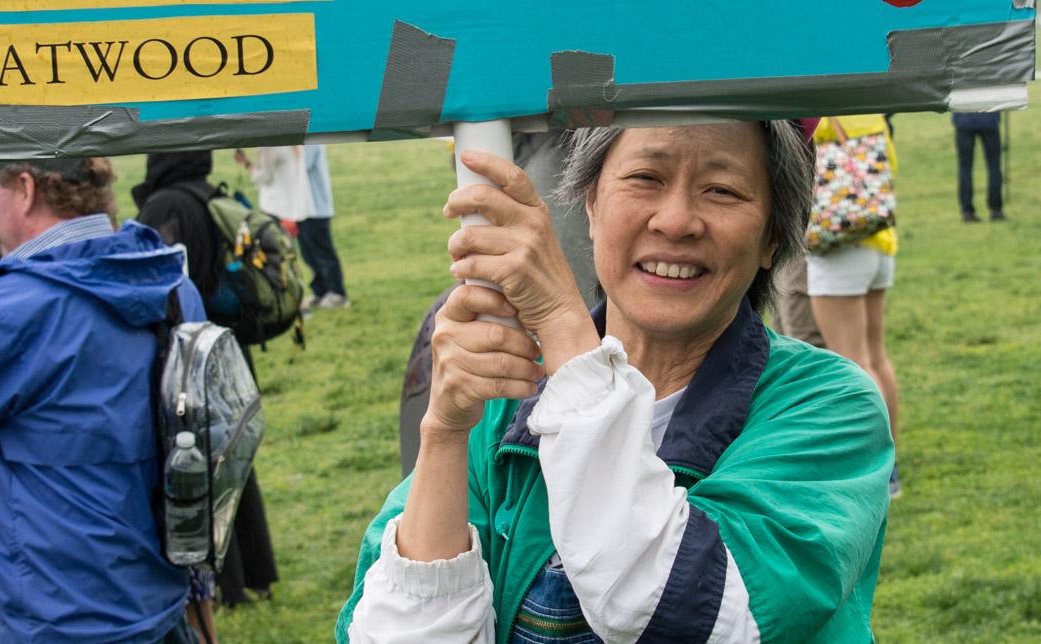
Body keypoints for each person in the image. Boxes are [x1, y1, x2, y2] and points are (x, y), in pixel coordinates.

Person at [339, 120, 892, 642]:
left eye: (722, 190)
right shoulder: (502, 402)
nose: (676, 221)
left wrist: (560, 320)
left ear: (773, 237)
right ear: (591, 203)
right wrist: (443, 431)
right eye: (645, 178)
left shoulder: (828, 407)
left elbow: (696, 617)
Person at [0, 156, 205, 644]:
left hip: (61, 616)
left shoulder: (23, 304)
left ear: (25, 189)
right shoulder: (166, 274)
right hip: (157, 601)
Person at [133, 150, 280, 612]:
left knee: (198, 467)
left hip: (188, 360)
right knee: (234, 463)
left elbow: (158, 286)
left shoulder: (165, 208)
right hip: (228, 353)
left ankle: (224, 588)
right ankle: (255, 576)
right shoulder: (211, 196)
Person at [806, 114, 902, 500]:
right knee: (876, 358)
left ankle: (877, 469)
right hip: (878, 241)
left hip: (839, 243)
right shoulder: (870, 113)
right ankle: (889, 465)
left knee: (854, 365)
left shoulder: (824, 113)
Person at [238, 145, 348, 310]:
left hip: (316, 207)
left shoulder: (312, 142)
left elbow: (303, 165)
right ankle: (321, 291)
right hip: (301, 208)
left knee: (322, 252)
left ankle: (337, 293)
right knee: (308, 253)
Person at [951, 111, 1005, 222]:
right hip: (989, 118)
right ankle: (996, 210)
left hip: (963, 119)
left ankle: (967, 211)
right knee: (994, 164)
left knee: (965, 167)